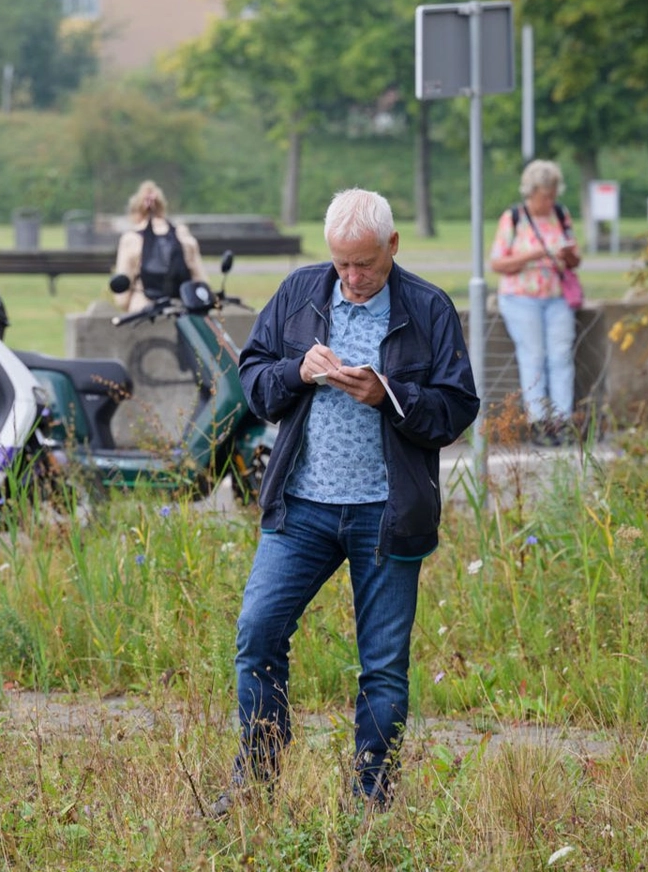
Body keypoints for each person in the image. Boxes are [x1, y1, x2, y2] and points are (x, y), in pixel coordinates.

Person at [216, 188, 479, 815]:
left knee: (383, 666)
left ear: (392, 245)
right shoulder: (299, 294)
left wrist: (389, 396)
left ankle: (371, 801)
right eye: (342, 264)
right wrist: (296, 372)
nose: (353, 278)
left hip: (388, 512)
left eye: (365, 263)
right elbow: (254, 382)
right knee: (257, 632)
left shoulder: (429, 307)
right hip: (300, 506)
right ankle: (255, 784)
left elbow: (457, 409)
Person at [491, 159, 584, 445]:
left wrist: (567, 254)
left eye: (553, 194)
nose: (550, 200)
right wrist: (536, 255)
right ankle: (538, 421)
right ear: (532, 192)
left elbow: (576, 259)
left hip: (555, 296)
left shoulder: (560, 214)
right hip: (521, 298)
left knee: (560, 356)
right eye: (545, 195)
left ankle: (562, 420)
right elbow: (497, 262)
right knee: (533, 356)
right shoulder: (514, 218)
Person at [111, 180, 207, 312]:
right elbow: (200, 279)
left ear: (135, 211)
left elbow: (122, 297)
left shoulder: (131, 239)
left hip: (146, 307)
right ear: (162, 207)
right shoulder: (182, 235)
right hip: (183, 307)